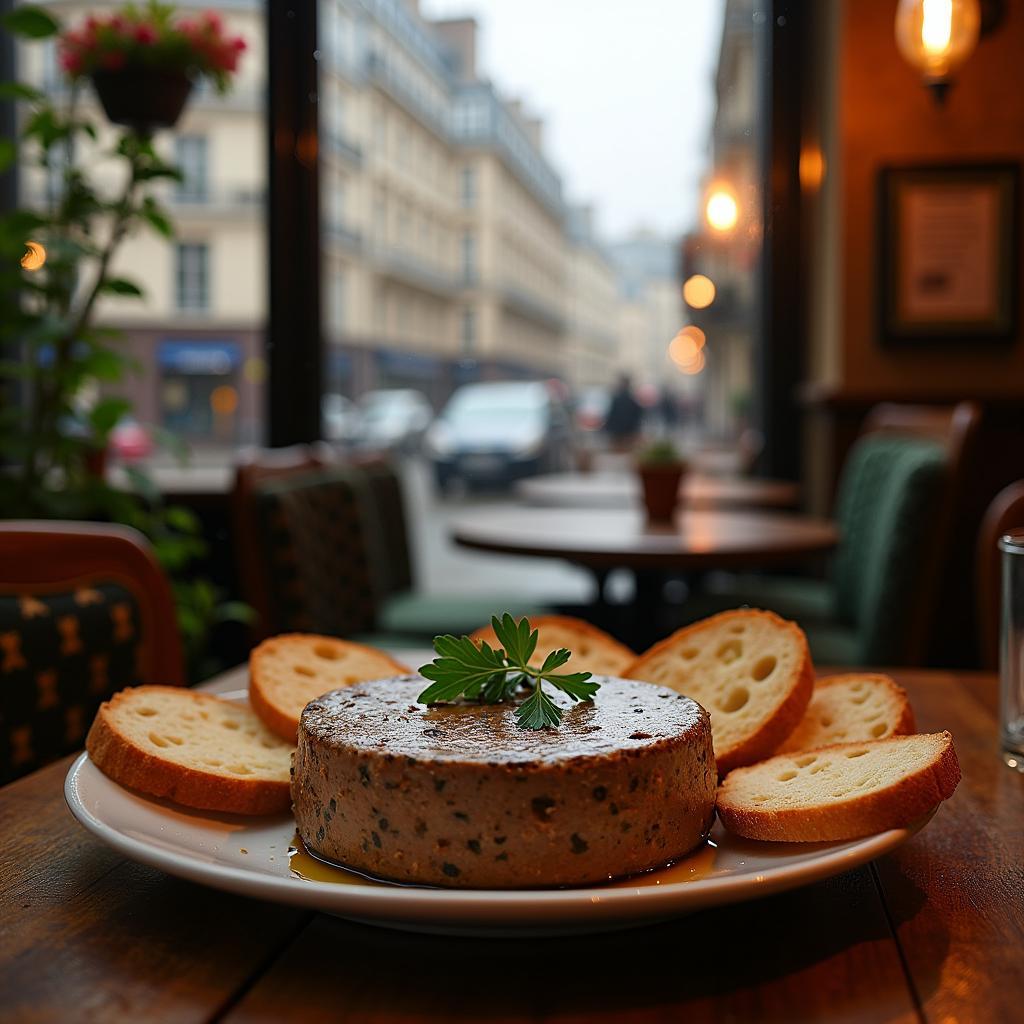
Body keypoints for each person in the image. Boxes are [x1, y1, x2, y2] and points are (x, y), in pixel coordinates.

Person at [604, 374, 644, 451]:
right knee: (627, 451)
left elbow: (611, 415)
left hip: (618, 432)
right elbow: (638, 416)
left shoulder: (617, 399)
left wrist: (608, 429)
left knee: (617, 451)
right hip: (629, 432)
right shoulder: (633, 400)